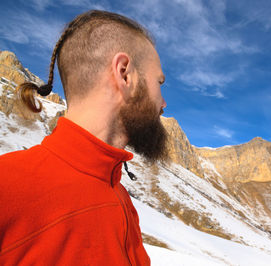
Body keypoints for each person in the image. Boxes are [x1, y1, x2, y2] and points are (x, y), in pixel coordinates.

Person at [0, 10, 168, 265]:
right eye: (159, 82)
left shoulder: (121, 197)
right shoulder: (7, 187)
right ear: (125, 74)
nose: (163, 104)